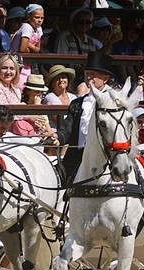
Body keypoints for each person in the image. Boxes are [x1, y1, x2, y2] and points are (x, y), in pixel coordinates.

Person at [55, 51, 114, 182]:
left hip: (105, 156)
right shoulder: (77, 104)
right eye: (87, 74)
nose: (88, 78)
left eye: (93, 75)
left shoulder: (114, 103)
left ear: (105, 78)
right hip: (77, 156)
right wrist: (58, 137)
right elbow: (67, 129)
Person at [10, 4, 44, 87]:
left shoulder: (39, 29)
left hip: (29, 62)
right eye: (36, 17)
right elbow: (22, 49)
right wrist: (32, 48)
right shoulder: (26, 27)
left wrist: (30, 46)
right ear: (29, 16)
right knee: (20, 85)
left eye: (41, 18)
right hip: (17, 61)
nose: (39, 20)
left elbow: (38, 49)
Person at [42, 65, 77, 130]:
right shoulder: (50, 97)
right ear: (52, 83)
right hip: (56, 133)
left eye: (63, 77)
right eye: (57, 78)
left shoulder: (73, 97)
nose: (61, 80)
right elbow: (59, 119)